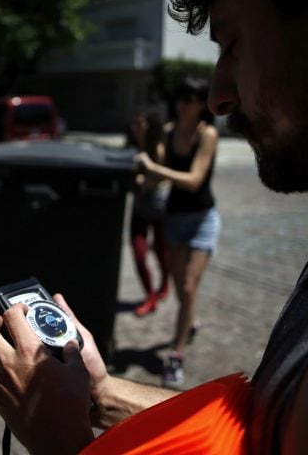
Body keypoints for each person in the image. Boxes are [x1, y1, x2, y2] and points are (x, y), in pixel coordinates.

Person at [0, 0, 308, 453]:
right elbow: (261, 430)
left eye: (233, 46)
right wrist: (100, 394)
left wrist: (60, 442)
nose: (219, 96)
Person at [137, 77, 220, 388]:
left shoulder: (207, 134)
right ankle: (190, 320)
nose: (183, 103)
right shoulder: (170, 133)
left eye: (191, 98)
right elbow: (156, 167)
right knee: (183, 288)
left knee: (186, 287)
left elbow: (194, 180)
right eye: (180, 97)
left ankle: (176, 355)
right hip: (174, 218)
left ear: (201, 103)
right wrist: (145, 146)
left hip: (201, 219)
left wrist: (155, 170)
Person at [125, 111, 172, 317]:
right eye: (134, 124)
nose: (136, 128)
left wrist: (140, 181)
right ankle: (150, 296)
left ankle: (164, 284)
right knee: (139, 254)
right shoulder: (131, 148)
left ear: (149, 126)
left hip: (159, 208)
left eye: (140, 124)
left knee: (161, 252)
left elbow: (157, 178)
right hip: (140, 209)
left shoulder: (158, 149)